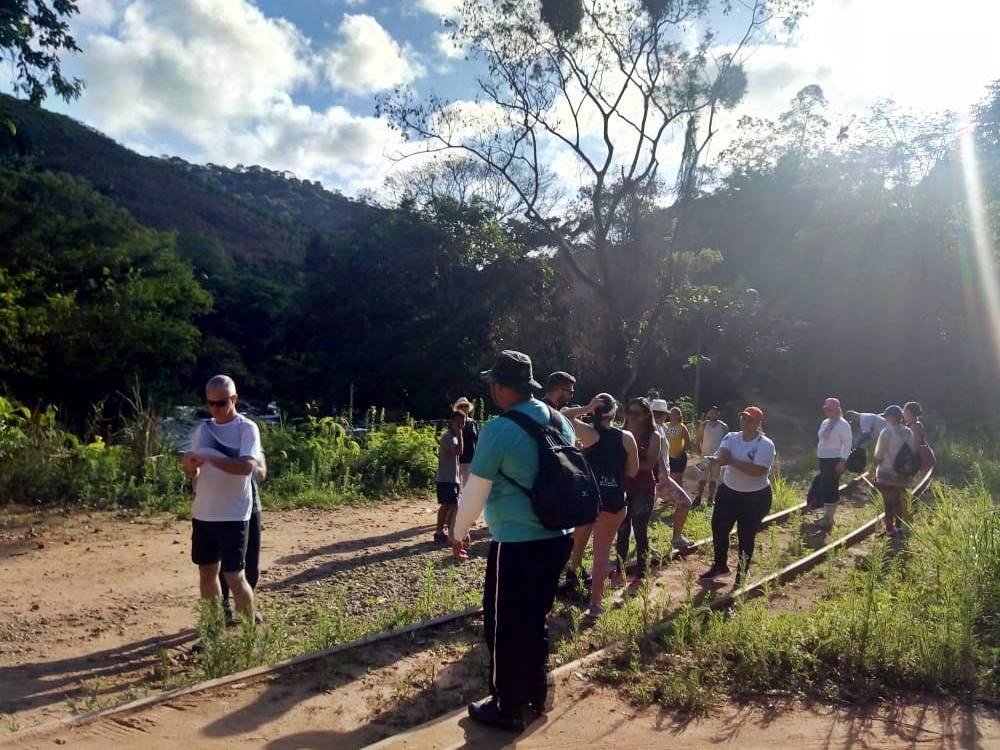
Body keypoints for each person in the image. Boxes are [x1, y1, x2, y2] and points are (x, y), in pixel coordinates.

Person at [450, 350, 575, 732]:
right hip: (559, 538)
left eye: (493, 383)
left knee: (504, 623)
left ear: (500, 387)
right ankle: (536, 693)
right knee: (534, 618)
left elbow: (474, 491)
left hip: (518, 543)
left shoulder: (500, 429)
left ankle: (506, 706)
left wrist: (458, 533)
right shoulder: (558, 420)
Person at [182, 375, 260, 624]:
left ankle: (250, 637)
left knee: (234, 575)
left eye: (221, 403)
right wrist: (190, 467)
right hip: (203, 513)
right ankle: (213, 631)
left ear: (234, 399)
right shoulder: (202, 429)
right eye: (210, 404)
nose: (214, 409)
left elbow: (247, 467)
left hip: (233, 515)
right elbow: (194, 474)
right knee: (206, 574)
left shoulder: (246, 428)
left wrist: (211, 457)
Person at [568, 394, 639, 617]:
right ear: (614, 413)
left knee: (577, 540)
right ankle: (595, 604)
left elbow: (562, 415)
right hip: (615, 500)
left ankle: (573, 572)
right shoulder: (626, 437)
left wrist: (586, 407)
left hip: (589, 499)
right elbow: (632, 471)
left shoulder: (589, 434)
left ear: (594, 412)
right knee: (601, 553)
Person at [699, 406, 776, 586]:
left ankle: (741, 576)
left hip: (755, 497)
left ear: (758, 424)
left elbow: (758, 471)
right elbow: (724, 452)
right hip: (729, 491)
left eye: (749, 420)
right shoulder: (731, 437)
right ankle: (720, 566)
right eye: (743, 418)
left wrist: (731, 461)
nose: (745, 422)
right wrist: (722, 458)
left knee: (746, 535)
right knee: (718, 528)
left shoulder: (765, 444)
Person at [614, 397, 662, 585]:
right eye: (629, 412)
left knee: (640, 531)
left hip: (643, 489)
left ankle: (641, 573)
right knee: (622, 530)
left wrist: (626, 465)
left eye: (637, 414)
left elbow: (650, 463)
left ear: (646, 416)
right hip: (624, 487)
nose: (632, 417)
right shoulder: (622, 433)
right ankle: (619, 571)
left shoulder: (653, 436)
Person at [220, 450, 266, 626]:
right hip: (224, 509)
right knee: (224, 563)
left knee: (251, 563)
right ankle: (223, 607)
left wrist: (248, 465)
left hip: (251, 507)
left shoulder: (253, 446)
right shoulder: (218, 443)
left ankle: (247, 606)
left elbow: (262, 474)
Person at [650, 400, 695, 551]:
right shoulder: (655, 429)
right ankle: (676, 538)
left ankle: (642, 545)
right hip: (661, 477)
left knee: (645, 512)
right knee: (685, 503)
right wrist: (663, 475)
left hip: (656, 477)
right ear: (664, 414)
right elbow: (657, 456)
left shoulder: (660, 428)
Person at [869, 405, 915, 537]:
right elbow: (911, 451)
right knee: (898, 501)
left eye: (887, 417)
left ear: (892, 417)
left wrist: (872, 470)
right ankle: (899, 527)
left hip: (886, 471)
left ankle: (889, 529)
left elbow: (879, 454)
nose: (885, 419)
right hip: (902, 472)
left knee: (888, 502)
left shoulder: (887, 432)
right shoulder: (908, 432)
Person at [815, 397, 853, 528]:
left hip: (835, 458)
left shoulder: (843, 425)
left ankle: (828, 517)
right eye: (826, 409)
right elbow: (821, 440)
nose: (827, 411)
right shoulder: (825, 422)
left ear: (837, 410)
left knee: (830, 485)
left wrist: (843, 460)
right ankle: (828, 516)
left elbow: (847, 443)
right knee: (827, 485)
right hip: (824, 458)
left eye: (830, 409)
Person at [434, 410, 466, 543]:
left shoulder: (454, 436)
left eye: (462, 423)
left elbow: (460, 452)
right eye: (458, 422)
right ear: (452, 422)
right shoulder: (448, 437)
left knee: (450, 505)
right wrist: (460, 434)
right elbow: (459, 451)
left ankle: (442, 532)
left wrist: (459, 434)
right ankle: (442, 531)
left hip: (452, 478)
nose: (460, 425)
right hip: (446, 478)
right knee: (450, 505)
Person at [694, 405, 728, 507]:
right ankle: (698, 497)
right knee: (702, 478)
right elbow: (698, 438)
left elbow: (726, 442)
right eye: (712, 412)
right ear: (708, 413)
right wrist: (698, 449)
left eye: (716, 412)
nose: (713, 414)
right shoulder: (704, 425)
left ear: (718, 414)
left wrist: (723, 455)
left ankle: (710, 498)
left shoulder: (723, 426)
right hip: (705, 455)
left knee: (714, 479)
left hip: (717, 457)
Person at [903, 401, 936, 472]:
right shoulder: (911, 425)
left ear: (909, 412)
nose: (903, 413)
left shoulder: (915, 426)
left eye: (904, 410)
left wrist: (906, 460)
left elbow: (915, 446)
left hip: (917, 460)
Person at [452, 397, 478, 486]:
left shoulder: (473, 423)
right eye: (461, 406)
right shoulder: (454, 423)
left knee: (468, 485)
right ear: (458, 409)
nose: (464, 408)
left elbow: (477, 440)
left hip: (471, 458)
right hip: (458, 457)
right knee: (456, 483)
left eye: (465, 406)